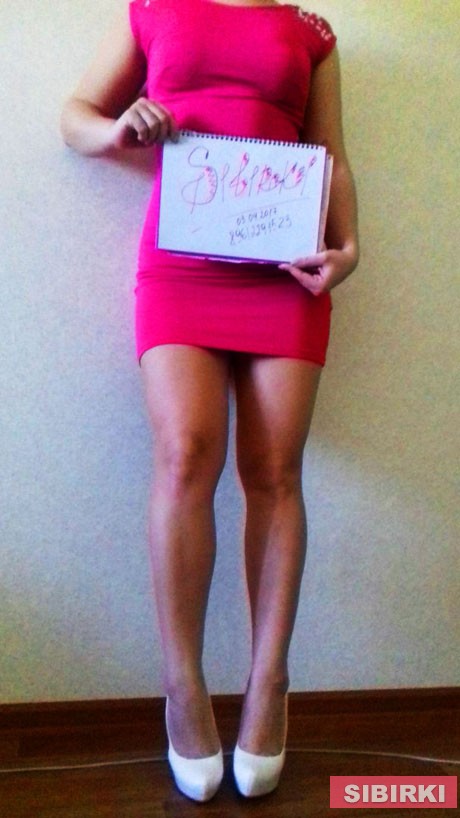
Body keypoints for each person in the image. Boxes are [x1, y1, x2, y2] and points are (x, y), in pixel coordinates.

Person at [61, 0, 359, 803]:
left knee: (276, 472)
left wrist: (349, 245)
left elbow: (330, 154)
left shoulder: (310, 30)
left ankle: (269, 684)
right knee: (186, 456)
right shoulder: (152, 8)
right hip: (180, 265)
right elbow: (74, 116)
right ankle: (182, 687)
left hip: (285, 269)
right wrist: (118, 131)